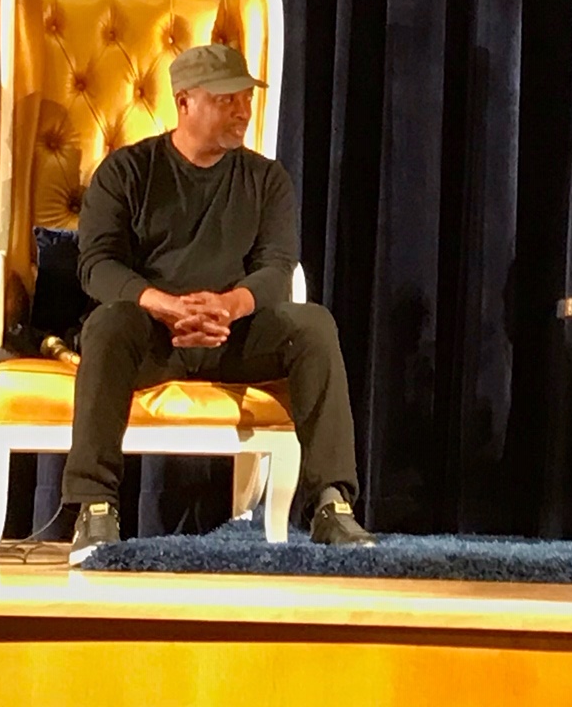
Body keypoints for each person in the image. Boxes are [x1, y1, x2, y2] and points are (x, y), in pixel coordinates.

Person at [63, 42, 374, 562]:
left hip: (234, 335)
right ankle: (94, 506)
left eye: (246, 98)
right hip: (153, 335)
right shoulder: (126, 172)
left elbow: (277, 268)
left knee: (313, 325)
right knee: (107, 325)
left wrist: (230, 306)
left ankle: (331, 504)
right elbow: (97, 265)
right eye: (228, 98)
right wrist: (164, 304)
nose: (243, 110)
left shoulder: (266, 179)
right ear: (184, 103)